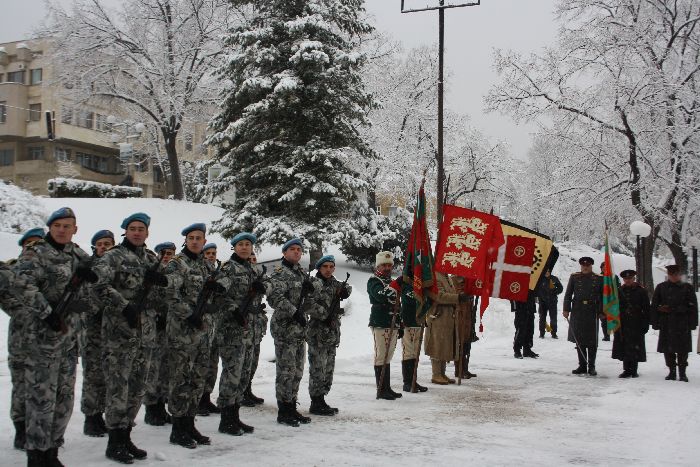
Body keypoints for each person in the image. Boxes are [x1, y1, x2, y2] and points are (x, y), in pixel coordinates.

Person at [16, 207, 96, 466]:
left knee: (63, 401)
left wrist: (91, 280)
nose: (62, 230)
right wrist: (47, 312)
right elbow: (23, 286)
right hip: (42, 341)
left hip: (70, 342)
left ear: (75, 229)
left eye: (67, 226)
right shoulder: (35, 253)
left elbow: (93, 291)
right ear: (50, 227)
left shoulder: (79, 255)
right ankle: (36, 455)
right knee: (41, 400)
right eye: (57, 225)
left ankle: (52, 451)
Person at [92, 213, 169, 463]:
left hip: (145, 334)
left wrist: (162, 283)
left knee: (137, 387)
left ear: (147, 233)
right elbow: (98, 285)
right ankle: (114, 441)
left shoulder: (151, 259)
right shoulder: (113, 256)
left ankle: (126, 436)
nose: (137, 232)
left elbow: (163, 295)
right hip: (119, 332)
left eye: (141, 229)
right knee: (118, 386)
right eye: (132, 228)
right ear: (125, 231)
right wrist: (123, 305)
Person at [164, 223, 226, 448]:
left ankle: (189, 424)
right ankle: (177, 428)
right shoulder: (177, 264)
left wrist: (218, 290)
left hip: (204, 332)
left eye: (199, 238)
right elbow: (169, 294)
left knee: (198, 378)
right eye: (191, 238)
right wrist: (188, 314)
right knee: (181, 379)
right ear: (186, 240)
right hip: (182, 332)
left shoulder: (207, 266)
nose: (195, 241)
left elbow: (217, 290)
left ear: (204, 241)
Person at [215, 233, 265, 436]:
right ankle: (226, 419)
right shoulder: (229, 268)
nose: (244, 247)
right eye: (240, 244)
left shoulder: (251, 269)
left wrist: (262, 287)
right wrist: (233, 309)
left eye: (248, 244)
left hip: (249, 330)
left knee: (244, 374)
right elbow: (219, 294)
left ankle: (235, 416)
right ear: (234, 247)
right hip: (232, 330)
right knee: (232, 374)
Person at [267, 238, 318, 426]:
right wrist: (293, 311)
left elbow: (308, 298)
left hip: (299, 329)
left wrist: (311, 290)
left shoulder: (301, 273)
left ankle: (292, 406)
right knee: (285, 371)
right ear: (284, 252)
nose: (296, 252)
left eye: (299, 249)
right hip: (285, 328)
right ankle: (284, 411)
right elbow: (274, 298)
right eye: (292, 249)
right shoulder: (280, 273)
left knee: (297, 370)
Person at [7, 227, 45, 451]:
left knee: (41, 387)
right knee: (21, 385)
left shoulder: (46, 271)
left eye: (38, 243)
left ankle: (39, 429)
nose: (34, 248)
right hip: (21, 338)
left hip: (45, 338)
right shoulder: (13, 270)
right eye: (29, 244)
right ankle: (21, 429)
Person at [305, 255, 352, 415]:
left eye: (331, 267)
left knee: (328, 369)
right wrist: (324, 314)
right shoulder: (314, 283)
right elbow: (307, 304)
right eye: (325, 266)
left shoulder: (334, 283)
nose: (328, 269)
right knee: (317, 369)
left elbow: (347, 288)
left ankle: (322, 399)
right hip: (317, 333)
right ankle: (315, 402)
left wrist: (345, 292)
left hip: (332, 333)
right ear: (319, 268)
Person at [81, 229, 115, 438]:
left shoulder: (114, 265)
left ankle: (102, 413)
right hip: (93, 329)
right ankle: (91, 417)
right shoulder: (88, 267)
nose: (103, 247)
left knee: (109, 374)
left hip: (112, 329)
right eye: (100, 244)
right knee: (93, 374)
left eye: (107, 244)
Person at [144, 242, 177, 426]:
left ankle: (161, 406)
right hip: (155, 327)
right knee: (153, 369)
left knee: (166, 369)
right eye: (163, 253)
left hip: (171, 327)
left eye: (170, 253)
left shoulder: (174, 274)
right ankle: (151, 408)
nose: (167, 256)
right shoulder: (153, 272)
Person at [650, 265, 698, 382]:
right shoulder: (661, 287)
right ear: (668, 275)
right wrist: (655, 320)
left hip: (683, 323)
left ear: (679, 274)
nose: (673, 277)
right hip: (666, 323)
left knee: (683, 350)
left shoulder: (687, 287)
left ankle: (682, 373)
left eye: (676, 274)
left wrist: (693, 323)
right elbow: (654, 305)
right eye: (671, 275)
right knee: (668, 349)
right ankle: (671, 371)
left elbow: (693, 307)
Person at [367, 251, 402, 400]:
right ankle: (381, 389)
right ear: (378, 266)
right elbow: (380, 295)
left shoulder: (391, 281)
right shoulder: (374, 280)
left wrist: (401, 322)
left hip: (393, 322)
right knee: (381, 355)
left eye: (389, 265)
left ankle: (387, 387)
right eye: (384, 265)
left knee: (388, 355)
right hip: (380, 321)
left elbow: (398, 302)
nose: (387, 268)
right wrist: (394, 286)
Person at [425, 272, 470, 383]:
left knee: (444, 345)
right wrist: (458, 297)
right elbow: (438, 296)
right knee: (437, 345)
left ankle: (442, 373)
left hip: (448, 316)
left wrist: (461, 296)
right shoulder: (434, 276)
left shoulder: (447, 277)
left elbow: (451, 293)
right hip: (438, 315)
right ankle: (436, 374)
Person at [563, 256, 604, 376]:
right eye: (583, 266)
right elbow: (568, 294)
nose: (585, 267)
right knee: (579, 340)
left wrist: (601, 311)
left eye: (587, 266)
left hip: (592, 311)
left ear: (591, 266)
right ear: (581, 266)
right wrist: (566, 309)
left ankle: (591, 366)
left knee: (592, 341)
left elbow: (602, 297)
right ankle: (582, 365)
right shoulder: (574, 277)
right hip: (578, 310)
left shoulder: (598, 279)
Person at [241, 251, 268, 407]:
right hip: (245, 325)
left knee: (253, 361)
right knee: (244, 362)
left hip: (256, 327)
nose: (252, 261)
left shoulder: (259, 276)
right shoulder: (242, 276)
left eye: (254, 259)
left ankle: (247, 389)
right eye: (249, 259)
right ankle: (241, 392)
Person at [613, 270, 650, 378]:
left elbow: (646, 309)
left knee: (635, 346)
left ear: (634, 278)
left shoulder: (641, 291)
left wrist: (646, 323)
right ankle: (626, 370)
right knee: (624, 345)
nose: (628, 280)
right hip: (623, 322)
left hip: (636, 322)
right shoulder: (619, 290)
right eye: (626, 279)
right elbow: (615, 306)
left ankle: (634, 369)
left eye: (630, 278)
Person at [198, 242, 221, 416]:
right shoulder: (199, 270)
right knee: (201, 364)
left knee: (212, 364)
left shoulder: (217, 272)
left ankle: (206, 397)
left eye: (213, 253)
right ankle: (198, 400)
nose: (211, 256)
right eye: (208, 253)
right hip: (202, 323)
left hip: (215, 324)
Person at [399, 276, 428, 392]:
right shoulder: (406, 285)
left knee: (415, 353)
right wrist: (423, 298)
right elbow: (410, 300)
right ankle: (407, 382)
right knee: (408, 352)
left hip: (418, 322)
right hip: (408, 322)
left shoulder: (420, 285)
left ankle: (413, 381)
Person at [451, 276, 478, 379]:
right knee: (459, 344)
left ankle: (465, 369)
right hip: (459, 316)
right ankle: (459, 370)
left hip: (467, 317)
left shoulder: (469, 279)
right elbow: (455, 295)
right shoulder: (454, 279)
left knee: (466, 344)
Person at [511, 291, 539, 359]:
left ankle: (527, 349)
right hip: (520, 307)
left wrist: (535, 299)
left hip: (530, 305)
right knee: (521, 329)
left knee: (530, 329)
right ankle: (517, 350)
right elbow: (512, 291)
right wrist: (515, 307)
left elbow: (535, 290)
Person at [537, 270, 563, 338]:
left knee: (553, 318)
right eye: (545, 271)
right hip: (542, 302)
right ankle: (542, 333)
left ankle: (554, 333)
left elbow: (561, 288)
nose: (547, 272)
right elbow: (536, 289)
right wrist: (539, 296)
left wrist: (556, 291)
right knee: (542, 318)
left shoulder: (554, 278)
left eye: (548, 271)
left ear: (550, 272)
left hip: (552, 302)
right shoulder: (540, 279)